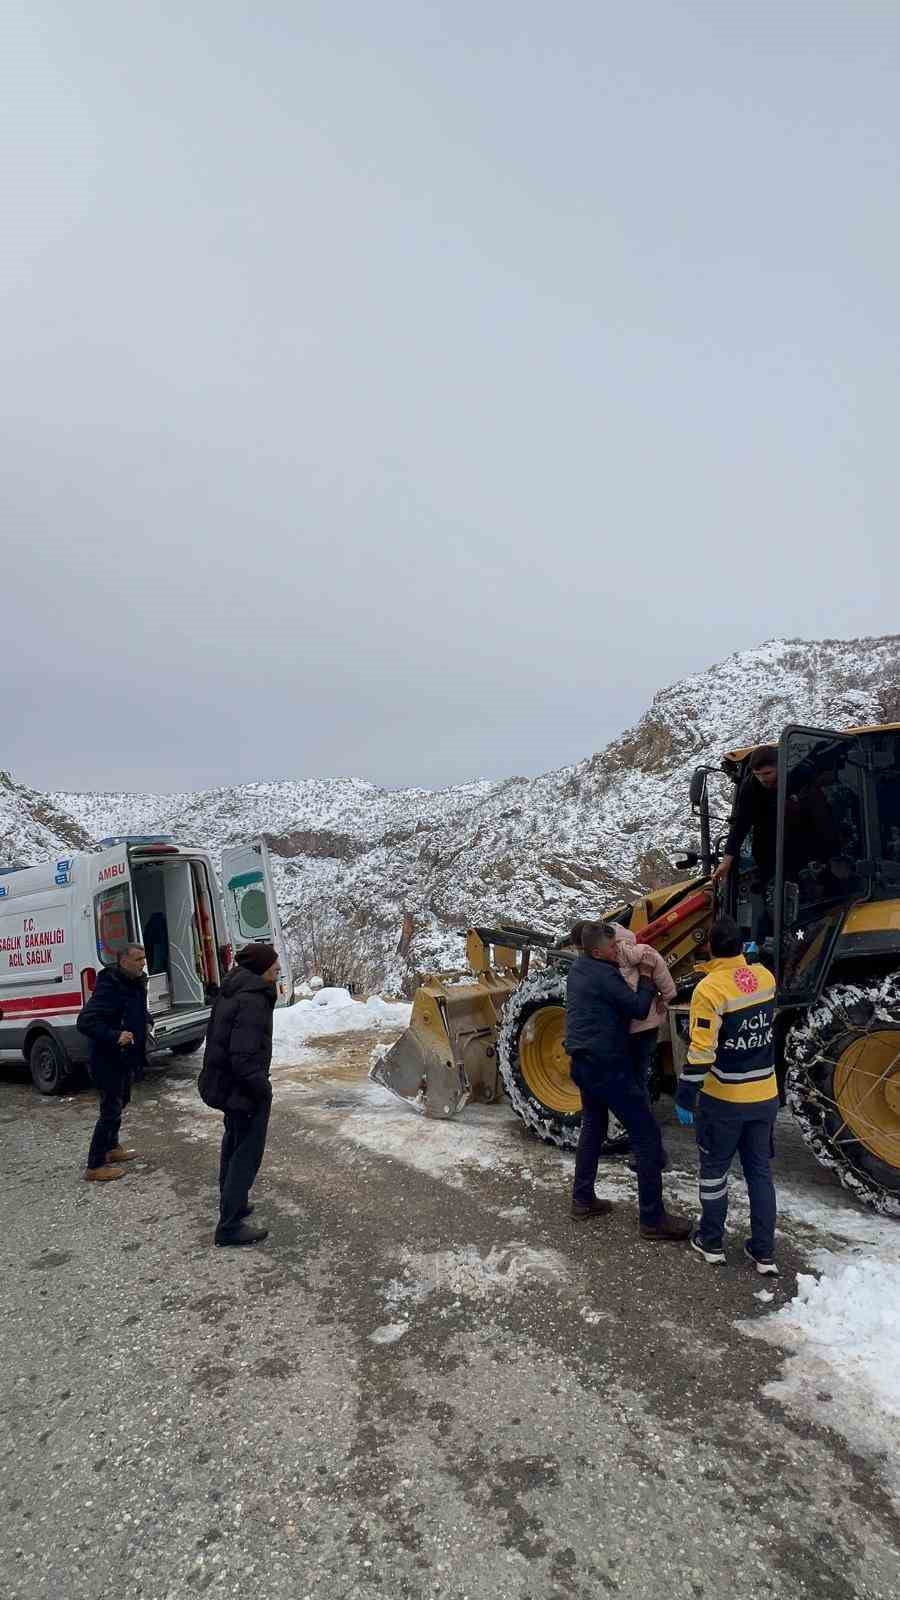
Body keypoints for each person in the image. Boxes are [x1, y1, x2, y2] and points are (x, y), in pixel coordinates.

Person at [565, 921, 691, 1240]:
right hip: (608, 1066)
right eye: (611, 947)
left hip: (582, 1063)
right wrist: (648, 975)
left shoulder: (578, 968)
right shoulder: (605, 974)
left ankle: (582, 1199)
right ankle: (653, 1219)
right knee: (646, 1135)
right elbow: (637, 1008)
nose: (616, 950)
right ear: (596, 951)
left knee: (594, 1126)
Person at [674, 916, 779, 1275]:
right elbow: (755, 974)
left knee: (714, 1171)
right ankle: (764, 1252)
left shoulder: (709, 989)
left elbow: (702, 1050)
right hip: (765, 1095)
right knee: (760, 1173)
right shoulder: (766, 978)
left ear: (709, 948)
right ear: (742, 946)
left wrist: (686, 1093)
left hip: (726, 1100)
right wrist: (753, 956)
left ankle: (712, 1240)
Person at [199, 942, 279, 1248]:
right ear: (261, 968)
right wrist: (262, 1088)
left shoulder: (234, 989)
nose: (277, 970)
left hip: (226, 1085)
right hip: (242, 1089)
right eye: (274, 966)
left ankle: (234, 1202)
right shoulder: (253, 1000)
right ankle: (229, 1226)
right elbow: (243, 1056)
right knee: (246, 1153)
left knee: (233, 1143)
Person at [77, 943, 151, 1182]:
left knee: (121, 1102)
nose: (142, 963)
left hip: (126, 1058)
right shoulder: (110, 986)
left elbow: (136, 1010)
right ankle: (95, 1165)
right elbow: (85, 1021)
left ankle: (112, 1148)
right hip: (106, 1058)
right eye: (138, 959)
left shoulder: (136, 982)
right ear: (123, 962)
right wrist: (115, 1035)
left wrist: (147, 1020)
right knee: (110, 1110)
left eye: (143, 958)